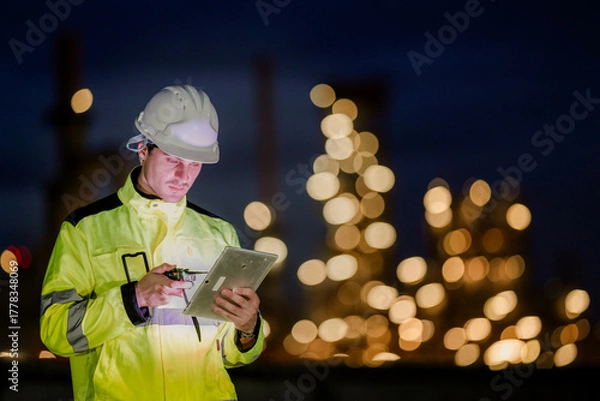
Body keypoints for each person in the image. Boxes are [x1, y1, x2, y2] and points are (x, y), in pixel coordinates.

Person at [40, 85, 265, 401]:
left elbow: (228, 355)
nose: (184, 175)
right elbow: (56, 334)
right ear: (143, 149)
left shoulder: (219, 234)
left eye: (196, 163)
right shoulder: (85, 230)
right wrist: (133, 298)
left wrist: (248, 328)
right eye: (174, 159)